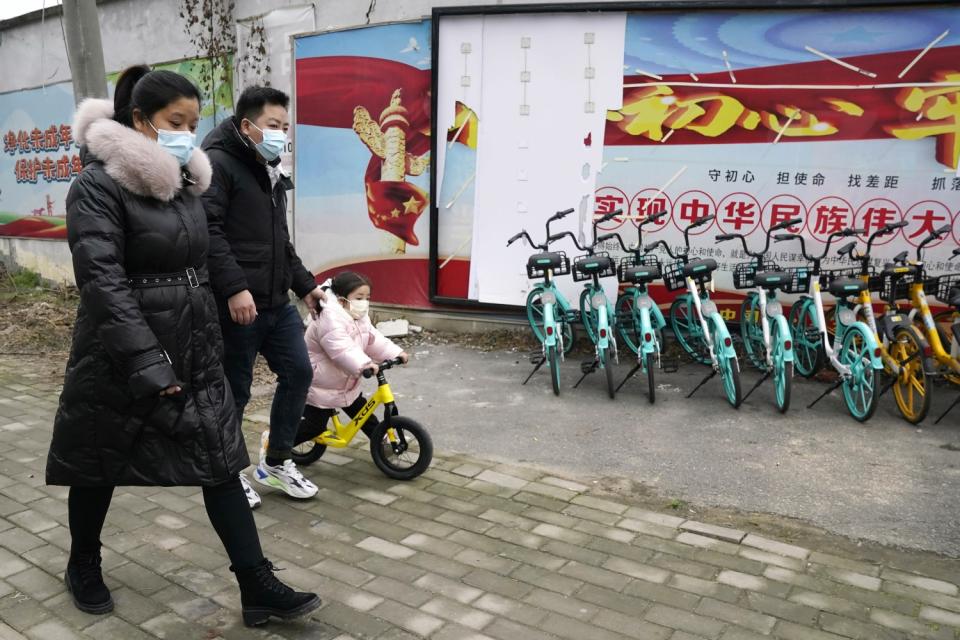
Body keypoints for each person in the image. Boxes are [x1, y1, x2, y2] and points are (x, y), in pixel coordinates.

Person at [46, 65, 320, 627]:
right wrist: (148, 360)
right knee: (100, 462)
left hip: (194, 347)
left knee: (220, 460)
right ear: (141, 121)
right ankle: (83, 564)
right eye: (176, 122)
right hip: (120, 355)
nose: (187, 135)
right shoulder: (96, 187)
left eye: (194, 123)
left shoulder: (185, 185)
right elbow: (102, 281)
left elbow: (203, 263)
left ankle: (257, 586)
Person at [202, 86, 324, 507]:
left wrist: (305, 286)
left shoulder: (270, 169)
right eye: (273, 126)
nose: (280, 134)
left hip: (275, 303)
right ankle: (227, 474)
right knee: (234, 392)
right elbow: (209, 232)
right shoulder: (219, 165)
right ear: (247, 125)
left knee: (299, 373)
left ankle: (275, 462)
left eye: (285, 127)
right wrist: (234, 288)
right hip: (237, 305)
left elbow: (279, 242)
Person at [294, 272, 409, 448]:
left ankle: (381, 443)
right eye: (359, 297)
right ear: (341, 300)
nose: (364, 302)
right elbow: (341, 348)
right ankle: (276, 444)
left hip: (344, 380)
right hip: (320, 383)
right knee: (313, 427)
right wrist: (364, 364)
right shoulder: (329, 318)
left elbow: (373, 339)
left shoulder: (359, 317)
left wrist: (394, 352)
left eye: (367, 297)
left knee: (363, 413)